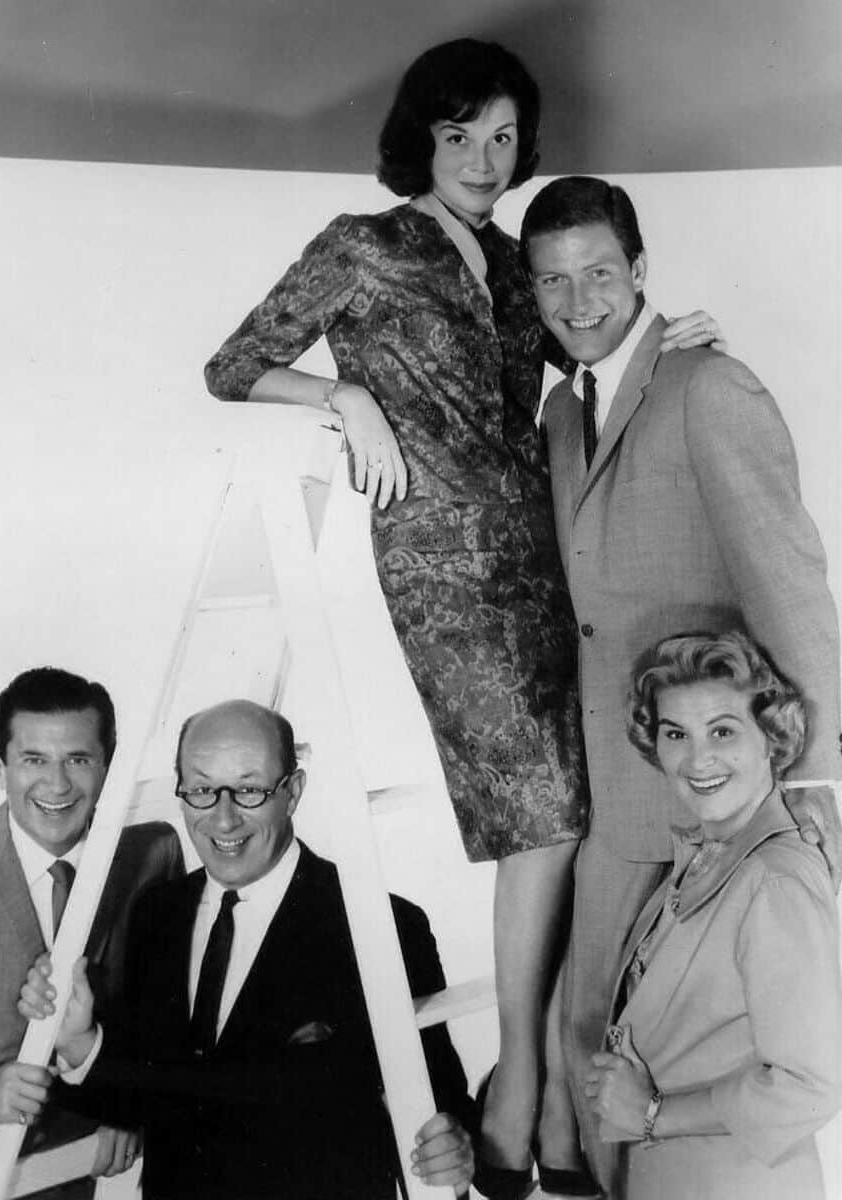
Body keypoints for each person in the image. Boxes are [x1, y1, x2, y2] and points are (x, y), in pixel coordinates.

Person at [203, 39, 721, 1193]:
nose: (484, 159)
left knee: (577, 814)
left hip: (548, 554)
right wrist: (343, 393)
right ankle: (525, 1090)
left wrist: (674, 338)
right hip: (443, 566)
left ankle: (539, 1086)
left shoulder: (515, 261)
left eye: (502, 137)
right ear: (421, 139)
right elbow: (232, 366)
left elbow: (591, 347)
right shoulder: (363, 246)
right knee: (542, 821)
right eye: (459, 135)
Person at [520, 174, 841, 1192]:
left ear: (641, 270)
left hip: (721, 786)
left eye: (599, 274)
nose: (579, 301)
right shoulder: (561, 414)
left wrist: (813, 786)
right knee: (596, 1031)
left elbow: (790, 584)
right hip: (621, 790)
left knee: (717, 1053)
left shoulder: (710, 387)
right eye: (553, 281)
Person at [20, 700, 475, 1200]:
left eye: (249, 790)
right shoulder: (157, 913)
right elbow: (144, 1095)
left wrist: (456, 1148)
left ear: (293, 792)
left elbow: (443, 1108)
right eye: (201, 790)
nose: (223, 819)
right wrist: (78, 1042)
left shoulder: (383, 924)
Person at [584, 631, 841, 1199]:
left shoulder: (773, 879)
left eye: (723, 730)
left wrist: (652, 1113)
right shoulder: (708, 859)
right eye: (676, 733)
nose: (698, 759)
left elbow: (813, 1085)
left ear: (772, 737)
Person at [0, 667, 184, 1195]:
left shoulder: (152, 856)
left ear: (108, 766)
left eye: (78, 759)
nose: (57, 784)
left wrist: (126, 1104)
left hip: (79, 1173)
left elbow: (169, 1024)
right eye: (34, 759)